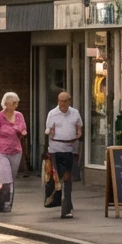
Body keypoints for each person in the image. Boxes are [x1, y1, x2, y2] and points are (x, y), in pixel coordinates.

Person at [43, 90, 85, 219]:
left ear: (69, 101)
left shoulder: (75, 113)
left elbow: (79, 128)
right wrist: (49, 132)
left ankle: (66, 208)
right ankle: (57, 201)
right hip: (55, 149)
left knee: (67, 179)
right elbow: (48, 130)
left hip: (70, 149)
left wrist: (78, 134)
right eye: (60, 101)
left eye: (64, 101)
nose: (62, 104)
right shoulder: (52, 114)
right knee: (57, 179)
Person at [0, 92, 28, 214]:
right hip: (1, 152)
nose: (15, 105)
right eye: (13, 103)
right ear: (5, 104)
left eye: (16, 103)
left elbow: (23, 130)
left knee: (11, 179)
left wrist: (21, 132)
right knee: (6, 179)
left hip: (16, 151)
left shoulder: (19, 116)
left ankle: (4, 201)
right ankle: (6, 205)